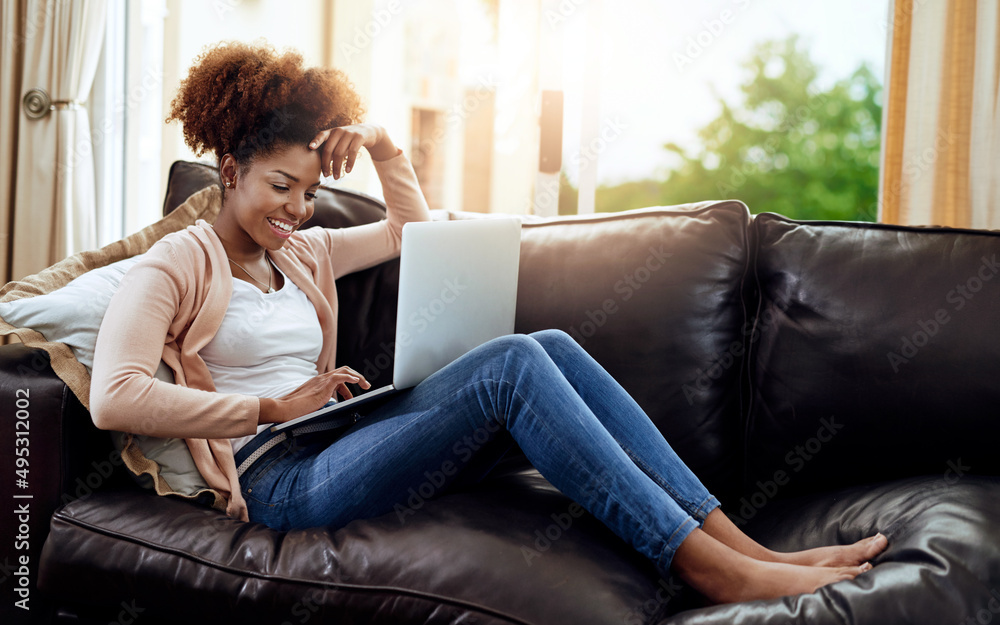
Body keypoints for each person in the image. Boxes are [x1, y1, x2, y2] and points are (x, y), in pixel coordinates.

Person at [90, 41, 887, 605]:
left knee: (550, 347)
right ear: (228, 173)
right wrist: (269, 408)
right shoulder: (174, 263)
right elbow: (114, 397)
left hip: (330, 439)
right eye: (279, 186)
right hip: (276, 477)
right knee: (510, 366)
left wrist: (386, 147)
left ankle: (743, 547)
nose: (297, 209)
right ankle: (711, 571)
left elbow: (412, 233)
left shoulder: (303, 252)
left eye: (307, 189)